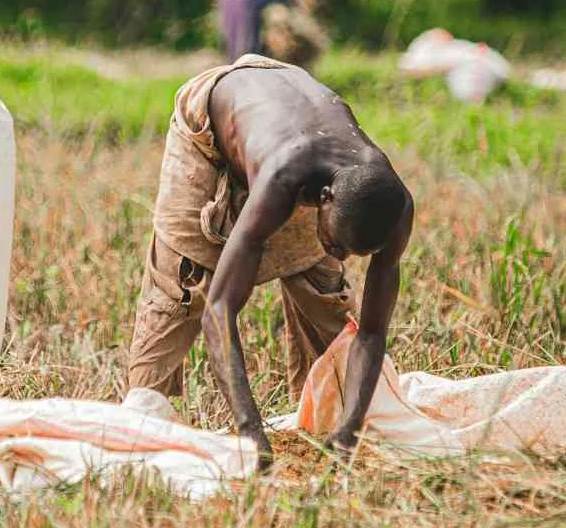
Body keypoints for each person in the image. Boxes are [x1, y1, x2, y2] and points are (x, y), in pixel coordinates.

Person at [126, 57, 413, 463]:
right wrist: (250, 429)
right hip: (211, 118)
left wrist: (349, 430)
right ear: (325, 198)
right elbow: (219, 309)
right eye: (338, 243)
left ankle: (323, 417)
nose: (343, 255)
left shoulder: (393, 206)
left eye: (353, 251)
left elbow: (371, 332)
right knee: (184, 283)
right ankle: (142, 420)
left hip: (292, 122)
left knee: (321, 289)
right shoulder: (284, 178)